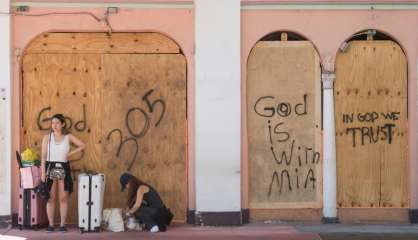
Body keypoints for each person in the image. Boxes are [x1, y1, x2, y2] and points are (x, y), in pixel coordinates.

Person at [41, 114, 85, 233]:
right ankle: (50, 225)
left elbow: (82, 145)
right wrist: (42, 172)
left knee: (63, 198)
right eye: (52, 123)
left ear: (63, 124)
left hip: (63, 167)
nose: (54, 125)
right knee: (50, 198)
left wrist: (70, 154)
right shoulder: (47, 138)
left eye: (57, 123)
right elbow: (43, 156)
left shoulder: (68, 137)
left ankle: (62, 225)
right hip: (50, 167)